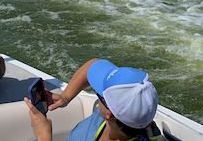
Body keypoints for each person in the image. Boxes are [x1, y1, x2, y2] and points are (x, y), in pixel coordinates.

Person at [24, 58, 164, 141]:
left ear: (109, 114)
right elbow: (93, 65)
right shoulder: (131, 114)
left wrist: (43, 135)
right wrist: (65, 97)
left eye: (99, 93)